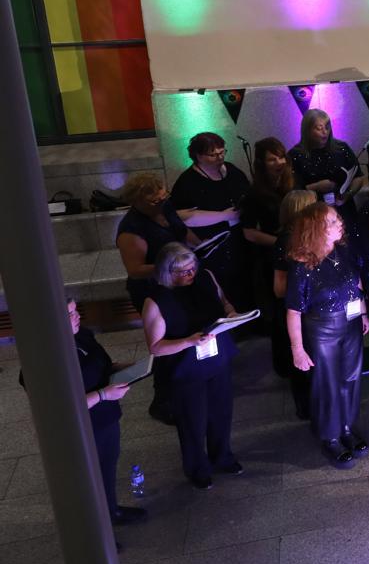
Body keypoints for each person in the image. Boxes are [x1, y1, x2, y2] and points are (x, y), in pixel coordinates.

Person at [142, 243, 241, 490]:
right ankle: (197, 468)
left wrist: (231, 314)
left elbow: (224, 302)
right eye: (183, 271)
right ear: (167, 272)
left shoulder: (205, 278)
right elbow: (156, 347)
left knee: (221, 413)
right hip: (187, 370)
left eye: (192, 268)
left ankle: (222, 457)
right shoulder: (156, 301)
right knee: (192, 422)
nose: (191, 274)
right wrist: (188, 341)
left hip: (217, 360)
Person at [284, 203, 368, 467]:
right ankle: (330, 437)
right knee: (328, 384)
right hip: (323, 330)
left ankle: (346, 427)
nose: (339, 223)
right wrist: (297, 349)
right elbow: (293, 311)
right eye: (332, 222)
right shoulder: (303, 266)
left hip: (352, 322)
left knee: (351, 377)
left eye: (337, 219)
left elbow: (356, 284)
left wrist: (364, 313)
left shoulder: (343, 250)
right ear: (315, 229)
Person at [61, 297, 142, 523]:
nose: (77, 316)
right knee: (88, 477)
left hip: (105, 417)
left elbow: (103, 365)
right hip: (82, 426)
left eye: (76, 310)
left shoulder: (82, 335)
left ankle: (111, 511)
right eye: (70, 314)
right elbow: (63, 406)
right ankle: (94, 529)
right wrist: (103, 394)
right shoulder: (48, 358)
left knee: (107, 465)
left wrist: (129, 368)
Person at [169, 132, 249, 308]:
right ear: (198, 156)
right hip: (212, 246)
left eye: (222, 152)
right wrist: (223, 216)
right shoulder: (188, 182)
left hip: (239, 241)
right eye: (213, 155)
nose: (220, 158)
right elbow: (179, 216)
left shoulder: (232, 170)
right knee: (222, 290)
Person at [240, 137, 294, 363]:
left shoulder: (292, 183)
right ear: (262, 164)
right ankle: (284, 361)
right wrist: (281, 243)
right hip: (273, 256)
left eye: (281, 157)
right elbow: (249, 232)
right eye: (272, 159)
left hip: (296, 252)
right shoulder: (255, 194)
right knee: (280, 311)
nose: (279, 163)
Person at [116, 172, 197, 312]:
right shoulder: (131, 229)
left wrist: (200, 244)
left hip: (178, 280)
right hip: (154, 288)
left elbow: (180, 230)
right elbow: (135, 271)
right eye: (155, 201)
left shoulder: (165, 206)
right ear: (136, 202)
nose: (162, 202)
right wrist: (173, 268)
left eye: (165, 196)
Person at [273, 190, 320, 416]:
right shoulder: (286, 242)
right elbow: (279, 288)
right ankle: (307, 408)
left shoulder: (313, 237)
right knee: (303, 364)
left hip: (313, 310)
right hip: (298, 310)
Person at [289, 109, 364, 201]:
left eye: (327, 127)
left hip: (342, 204)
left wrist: (348, 194)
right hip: (311, 206)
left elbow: (358, 177)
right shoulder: (295, 154)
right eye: (319, 128)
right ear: (307, 131)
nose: (325, 132)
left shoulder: (341, 148)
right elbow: (291, 192)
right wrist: (315, 187)